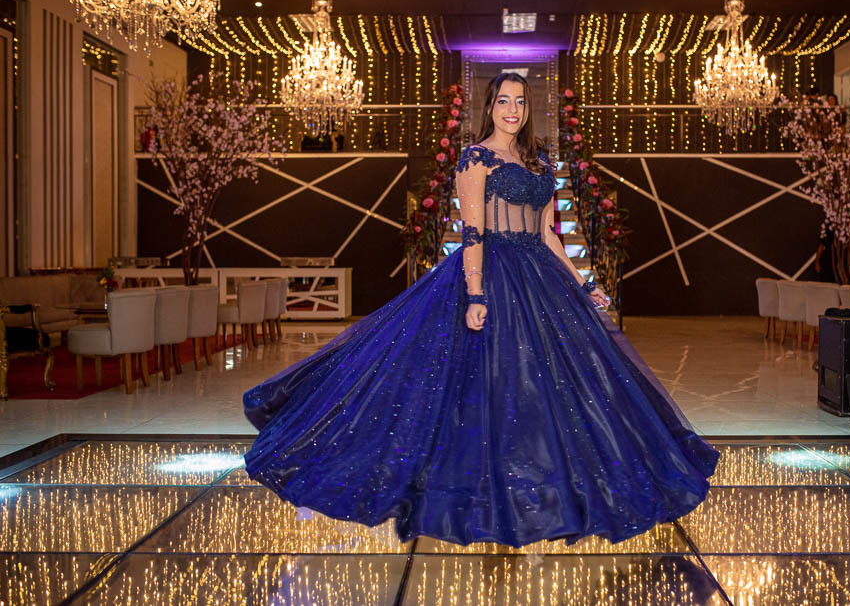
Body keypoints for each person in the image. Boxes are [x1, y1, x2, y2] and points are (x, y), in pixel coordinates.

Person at [242, 72, 718, 548]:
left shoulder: (541, 162)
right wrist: (475, 294)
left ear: (528, 109)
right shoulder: (476, 158)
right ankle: (477, 491)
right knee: (482, 383)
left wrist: (583, 283)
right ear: (489, 107)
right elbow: (472, 232)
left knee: (550, 386)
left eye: (520, 102)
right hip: (490, 274)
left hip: (540, 277)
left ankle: (545, 487)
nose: (512, 110)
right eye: (503, 101)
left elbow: (549, 233)